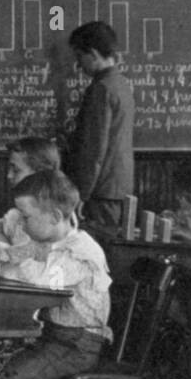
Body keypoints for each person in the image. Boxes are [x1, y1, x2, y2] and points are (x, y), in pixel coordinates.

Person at [0, 170, 113, 379]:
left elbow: (44, 284)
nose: (24, 223)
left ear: (56, 215)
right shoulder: (45, 242)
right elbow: (20, 269)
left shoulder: (80, 251)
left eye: (27, 216)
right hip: (56, 338)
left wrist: (8, 259)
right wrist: (3, 257)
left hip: (78, 343)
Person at [67, 21, 135, 229]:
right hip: (117, 186)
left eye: (80, 56)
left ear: (94, 53)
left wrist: (82, 194)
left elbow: (94, 149)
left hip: (100, 190)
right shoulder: (121, 84)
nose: (79, 64)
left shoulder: (101, 89)